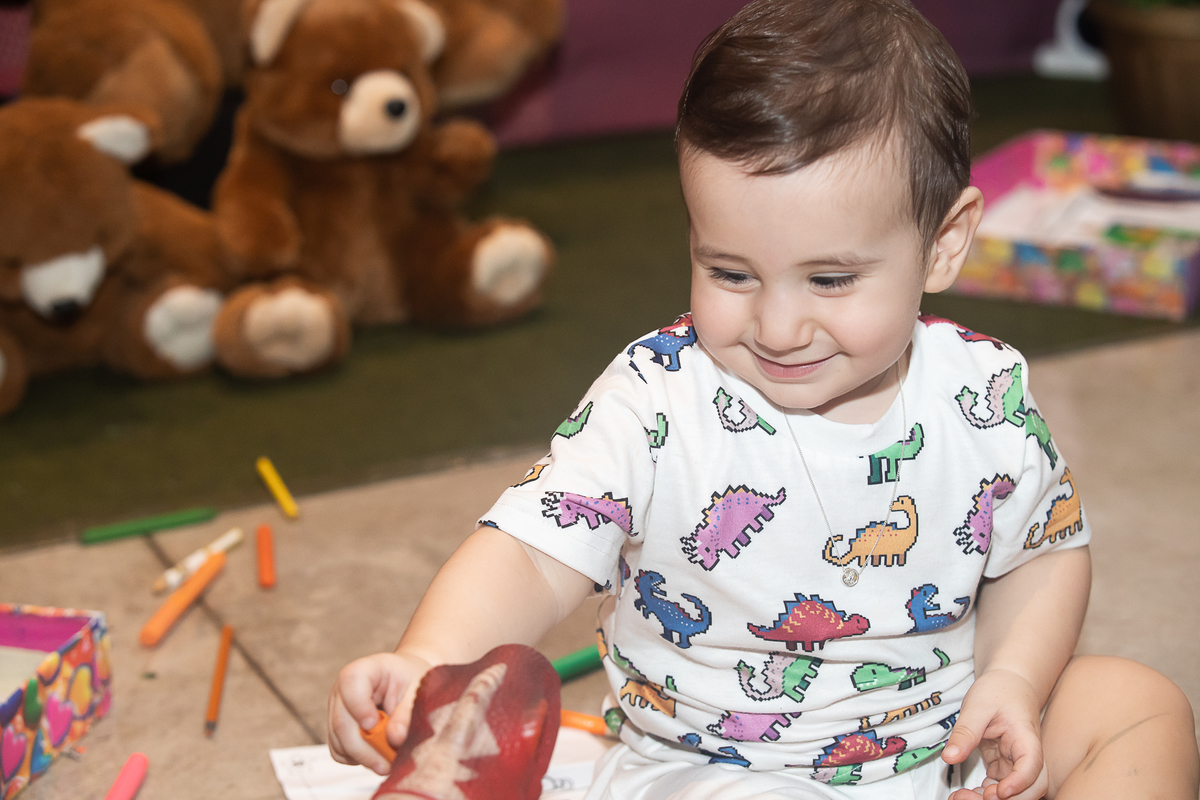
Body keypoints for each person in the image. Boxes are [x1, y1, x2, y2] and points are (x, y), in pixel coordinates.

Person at [328, 1, 1200, 797]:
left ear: (944, 244)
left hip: (943, 744)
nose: (779, 328)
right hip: (713, 770)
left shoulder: (984, 394)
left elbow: (1044, 555)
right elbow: (527, 556)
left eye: (830, 279)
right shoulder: (656, 400)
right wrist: (429, 657)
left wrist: (1013, 678)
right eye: (731, 272)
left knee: (1137, 705)